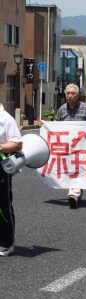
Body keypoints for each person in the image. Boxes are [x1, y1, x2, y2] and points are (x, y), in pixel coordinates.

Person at [55, 83, 86, 208]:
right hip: (67, 147)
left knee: (79, 168)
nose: (70, 95)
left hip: (82, 147)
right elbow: (55, 126)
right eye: (68, 93)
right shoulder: (62, 109)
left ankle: (74, 193)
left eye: (73, 93)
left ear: (78, 95)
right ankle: (76, 191)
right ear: (65, 94)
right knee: (71, 170)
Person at [0, 102, 22, 256]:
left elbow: (17, 143)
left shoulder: (6, 119)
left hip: (0, 167)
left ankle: (7, 242)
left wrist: (0, 147)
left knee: (2, 205)